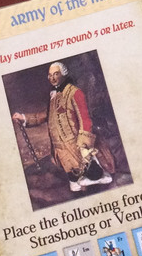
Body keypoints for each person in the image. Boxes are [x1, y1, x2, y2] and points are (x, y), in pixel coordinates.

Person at [13, 61, 112, 192]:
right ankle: (76, 185)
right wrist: (24, 117)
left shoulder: (75, 93)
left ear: (63, 74)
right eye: (50, 75)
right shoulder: (53, 96)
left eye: (56, 74)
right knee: (71, 173)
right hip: (59, 146)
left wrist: (84, 145)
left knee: (93, 173)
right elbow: (45, 115)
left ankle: (96, 180)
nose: (52, 78)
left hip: (75, 143)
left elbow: (85, 119)